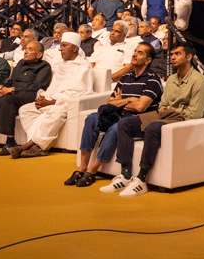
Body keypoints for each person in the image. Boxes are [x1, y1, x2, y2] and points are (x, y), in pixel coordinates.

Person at [99, 42, 204, 198]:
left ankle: (141, 179)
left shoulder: (199, 81)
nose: (172, 57)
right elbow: (162, 105)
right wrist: (167, 110)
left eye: (177, 54)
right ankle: (125, 175)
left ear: (189, 57)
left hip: (181, 120)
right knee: (125, 123)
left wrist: (171, 111)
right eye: (171, 54)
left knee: (153, 127)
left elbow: (194, 113)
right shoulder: (171, 79)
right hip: (164, 115)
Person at [68, 44, 164, 187]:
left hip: (134, 121)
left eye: (140, 53)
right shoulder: (126, 77)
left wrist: (120, 101)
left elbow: (140, 107)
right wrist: (128, 100)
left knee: (116, 128)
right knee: (92, 118)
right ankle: (82, 168)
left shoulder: (152, 79)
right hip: (117, 114)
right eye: (135, 51)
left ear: (148, 60)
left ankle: (92, 170)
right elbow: (110, 102)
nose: (134, 54)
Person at [7, 32, 95, 158]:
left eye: (64, 46)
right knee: (25, 109)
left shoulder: (83, 68)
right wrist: (44, 97)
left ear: (74, 48)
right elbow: (53, 88)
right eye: (61, 45)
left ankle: (29, 145)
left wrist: (52, 102)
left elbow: (78, 93)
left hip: (66, 104)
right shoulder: (61, 65)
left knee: (55, 112)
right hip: (50, 101)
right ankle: (38, 146)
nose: (60, 49)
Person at [0, 40, 53, 155]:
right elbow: (12, 81)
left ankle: (10, 141)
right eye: (26, 49)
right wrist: (3, 87)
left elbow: (36, 86)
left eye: (30, 49)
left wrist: (12, 89)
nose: (26, 52)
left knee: (7, 99)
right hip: (11, 96)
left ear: (39, 54)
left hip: (29, 96)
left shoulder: (44, 67)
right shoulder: (21, 63)